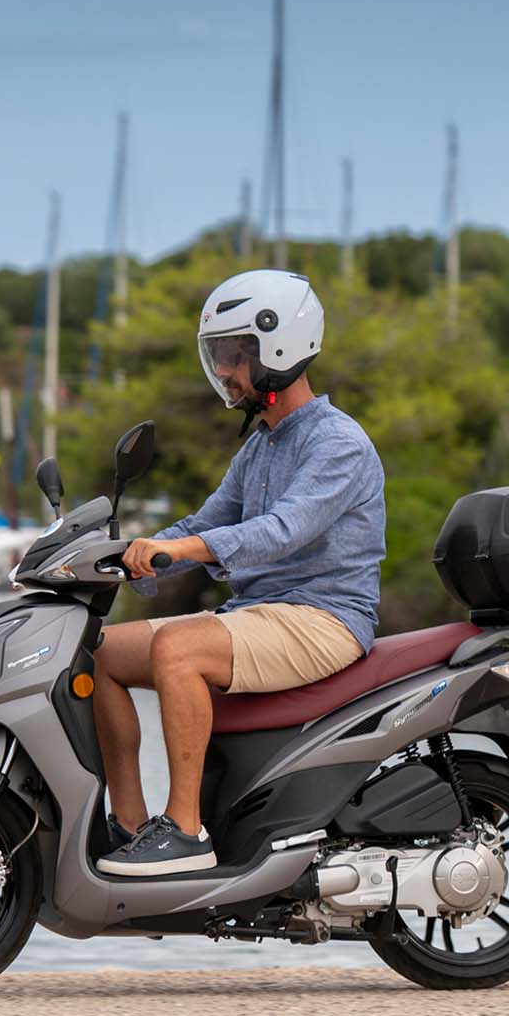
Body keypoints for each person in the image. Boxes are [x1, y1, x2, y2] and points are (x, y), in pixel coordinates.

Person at [92, 269, 386, 877]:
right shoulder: (259, 445)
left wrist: (187, 551)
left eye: (233, 354)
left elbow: (281, 531)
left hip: (324, 616)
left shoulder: (338, 443)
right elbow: (202, 522)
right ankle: (126, 822)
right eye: (220, 355)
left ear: (276, 349)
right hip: (257, 615)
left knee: (176, 648)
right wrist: (122, 558)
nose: (223, 369)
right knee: (98, 654)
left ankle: (186, 831)